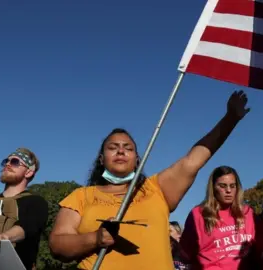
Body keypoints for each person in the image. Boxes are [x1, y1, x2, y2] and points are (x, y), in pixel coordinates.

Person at [48, 91, 250, 269]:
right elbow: (57, 244)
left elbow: (193, 160)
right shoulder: (81, 196)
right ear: (101, 159)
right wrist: (95, 238)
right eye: (112, 147)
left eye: (128, 148)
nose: (121, 151)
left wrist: (230, 119)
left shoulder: (156, 188)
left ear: (137, 160)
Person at [179, 165, 255, 269]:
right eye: (222, 186)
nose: (228, 190)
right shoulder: (198, 214)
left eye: (232, 186)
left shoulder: (248, 213)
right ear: (213, 188)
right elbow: (185, 253)